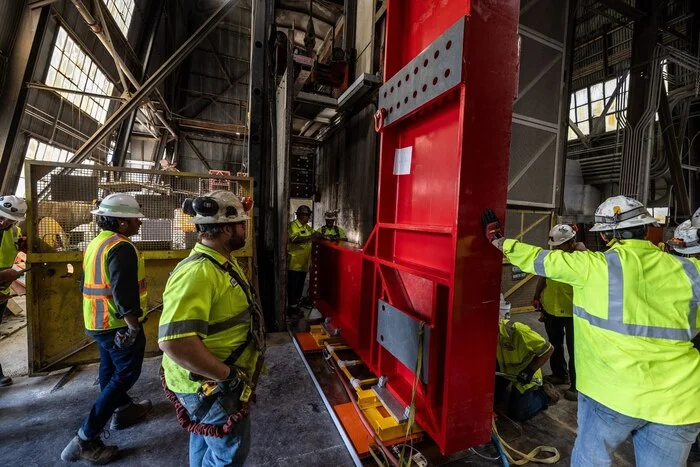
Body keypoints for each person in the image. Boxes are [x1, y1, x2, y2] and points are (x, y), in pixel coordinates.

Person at [482, 195, 700, 467]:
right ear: (646, 230)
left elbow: (538, 260)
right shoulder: (692, 272)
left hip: (611, 393)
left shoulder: (592, 266)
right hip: (679, 401)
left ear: (607, 235)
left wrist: (498, 240)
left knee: (591, 460)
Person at [159, 191, 265, 467]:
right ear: (227, 229)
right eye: (242, 224)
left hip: (211, 384)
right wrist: (226, 375)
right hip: (212, 385)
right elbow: (174, 342)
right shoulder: (199, 273)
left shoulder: (220, 262)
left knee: (205, 438)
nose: (245, 229)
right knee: (228, 455)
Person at [62, 194, 151, 464]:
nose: (139, 222)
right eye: (135, 218)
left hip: (98, 322)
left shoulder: (97, 243)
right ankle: (86, 438)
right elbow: (123, 291)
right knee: (125, 374)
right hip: (117, 325)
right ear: (122, 223)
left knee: (109, 369)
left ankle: (123, 409)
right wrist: (133, 328)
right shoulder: (122, 247)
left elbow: (84, 283)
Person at [532, 224, 585, 401]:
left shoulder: (582, 258)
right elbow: (543, 276)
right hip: (551, 308)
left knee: (575, 349)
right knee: (555, 344)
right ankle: (560, 374)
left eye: (560, 245)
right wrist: (537, 296)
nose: (556, 248)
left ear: (571, 242)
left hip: (573, 311)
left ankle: (577, 385)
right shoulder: (554, 256)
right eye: (555, 245)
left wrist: (580, 249)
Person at [495, 296, 558, 422]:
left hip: (525, 374)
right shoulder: (483, 336)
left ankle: (544, 395)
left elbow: (548, 349)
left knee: (518, 414)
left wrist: (529, 370)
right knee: (491, 401)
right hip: (504, 372)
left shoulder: (517, 331)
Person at [0, 195, 27, 387]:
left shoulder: (14, 231)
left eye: (9, 220)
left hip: (2, 288)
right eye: (1, 218)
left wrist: (16, 270)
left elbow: (20, 255)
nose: (4, 222)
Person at [287, 205, 316, 312]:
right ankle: (291, 308)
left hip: (304, 264)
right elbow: (293, 239)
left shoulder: (306, 227)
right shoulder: (293, 226)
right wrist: (309, 238)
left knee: (299, 286)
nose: (308, 218)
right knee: (293, 286)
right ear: (300, 215)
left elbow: (315, 234)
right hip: (294, 263)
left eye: (309, 216)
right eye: (307, 215)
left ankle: (296, 306)